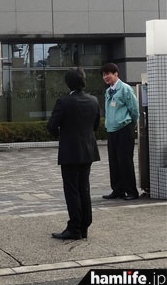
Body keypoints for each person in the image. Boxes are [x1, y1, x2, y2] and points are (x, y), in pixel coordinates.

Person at [47, 68, 101, 240]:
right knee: (84, 188)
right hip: (88, 150)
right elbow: (96, 125)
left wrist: (61, 134)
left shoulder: (64, 101)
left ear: (68, 83)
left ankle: (74, 228)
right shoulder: (93, 100)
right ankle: (84, 226)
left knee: (72, 190)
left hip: (70, 152)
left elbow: (52, 126)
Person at [100, 62, 140, 201]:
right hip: (112, 130)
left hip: (124, 129)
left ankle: (131, 191)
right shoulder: (108, 91)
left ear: (116, 73)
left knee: (125, 161)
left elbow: (134, 109)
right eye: (104, 75)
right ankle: (118, 190)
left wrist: (132, 124)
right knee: (114, 161)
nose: (106, 77)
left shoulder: (125, 89)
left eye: (108, 74)